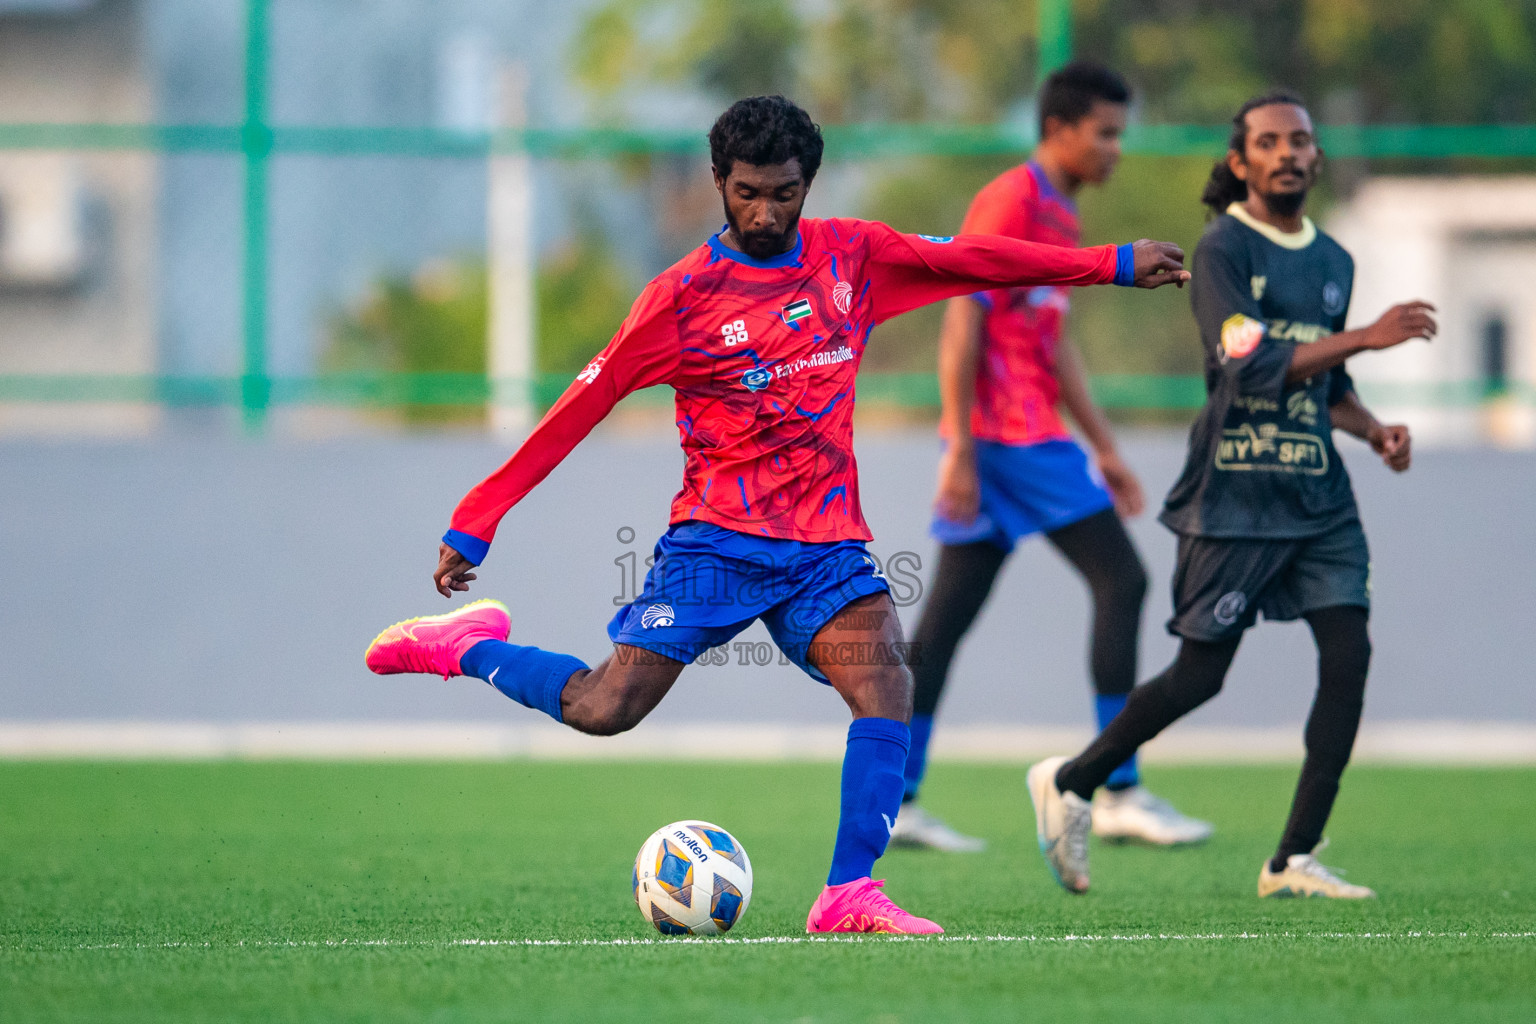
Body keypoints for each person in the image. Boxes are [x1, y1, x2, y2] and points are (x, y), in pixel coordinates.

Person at [365, 95, 1189, 934]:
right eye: (747, 192)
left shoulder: (854, 257)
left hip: (825, 548)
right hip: (715, 543)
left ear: (810, 184)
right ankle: (466, 646)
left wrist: (1112, 262)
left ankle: (848, 894)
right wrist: (479, 515)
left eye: (785, 193)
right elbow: (583, 402)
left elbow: (975, 263)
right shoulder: (680, 299)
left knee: (887, 680)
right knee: (605, 709)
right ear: (719, 181)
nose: (764, 212)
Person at [1026, 91, 1436, 899]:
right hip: (1235, 495)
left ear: (1316, 158)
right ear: (1241, 162)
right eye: (1269, 142)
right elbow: (1247, 368)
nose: (1288, 153)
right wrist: (1364, 335)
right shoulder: (1219, 250)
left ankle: (1293, 859)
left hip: (1318, 497)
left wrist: (1373, 428)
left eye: (1301, 141)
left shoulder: (1335, 262)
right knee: (1201, 675)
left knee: (1348, 656)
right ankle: (1074, 780)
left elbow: (1329, 380)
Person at [893, 61, 1212, 853]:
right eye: (1105, 133)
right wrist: (959, 446)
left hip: (1019, 438)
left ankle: (893, 800)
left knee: (944, 622)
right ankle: (1116, 790)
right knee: (1124, 580)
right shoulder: (1014, 199)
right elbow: (962, 318)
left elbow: (1054, 337)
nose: (1115, 149)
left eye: (1119, 134)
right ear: (1060, 129)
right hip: (1011, 437)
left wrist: (1104, 445)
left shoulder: (1061, 213)